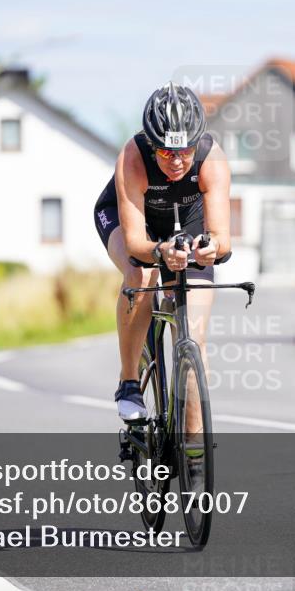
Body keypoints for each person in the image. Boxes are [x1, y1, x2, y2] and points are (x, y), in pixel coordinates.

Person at [93, 82, 231, 426]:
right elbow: (137, 244)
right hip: (133, 223)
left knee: (194, 341)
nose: (177, 161)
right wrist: (160, 251)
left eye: (184, 151)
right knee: (141, 274)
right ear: (152, 144)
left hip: (187, 222)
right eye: (167, 153)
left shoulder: (211, 158)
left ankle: (194, 454)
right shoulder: (133, 157)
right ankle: (128, 383)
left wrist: (210, 248)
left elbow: (223, 240)